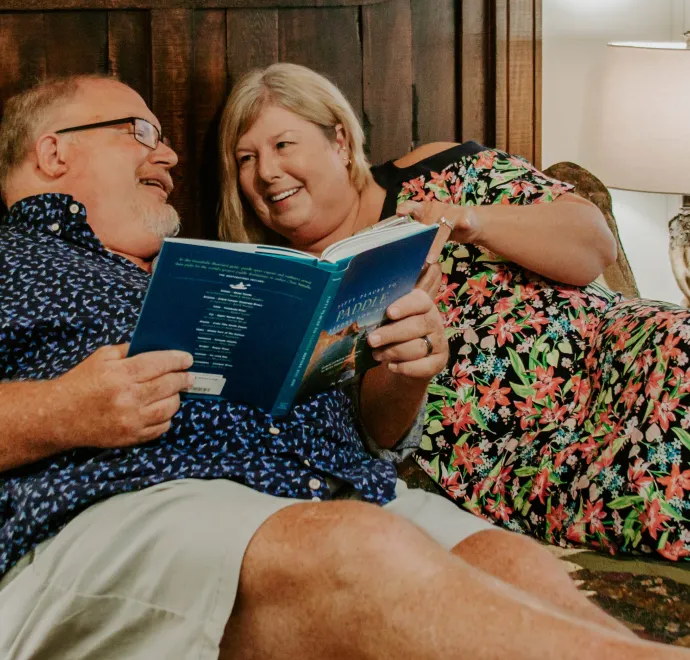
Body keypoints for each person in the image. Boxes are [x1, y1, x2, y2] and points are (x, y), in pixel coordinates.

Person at [0, 75, 683, 660]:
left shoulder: (209, 272)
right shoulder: (13, 256)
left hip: (336, 487)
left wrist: (404, 371)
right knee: (360, 549)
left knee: (508, 562)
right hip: (125, 503)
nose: (170, 154)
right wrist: (62, 408)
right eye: (141, 132)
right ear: (54, 149)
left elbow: (376, 437)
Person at [218, 63, 690, 563]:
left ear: (338, 140)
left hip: (622, 352)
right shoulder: (288, 290)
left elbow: (595, 246)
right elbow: (373, 436)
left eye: (283, 145)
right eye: (245, 158)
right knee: (648, 493)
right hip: (518, 454)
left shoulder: (438, 173)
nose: (265, 172)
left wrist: (469, 219)